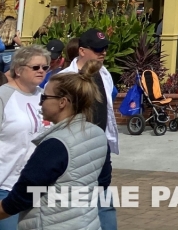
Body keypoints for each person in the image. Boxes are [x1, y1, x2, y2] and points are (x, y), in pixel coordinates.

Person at [0, 62, 107, 229]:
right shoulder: (97, 134)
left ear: (62, 102)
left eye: (44, 97)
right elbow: (102, 182)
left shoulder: (55, 144)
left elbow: (21, 198)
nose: (40, 103)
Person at [0, 45, 50, 230]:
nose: (41, 71)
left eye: (45, 67)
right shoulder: (0, 98)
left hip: (34, 184)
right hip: (1, 184)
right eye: (35, 67)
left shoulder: (43, 96)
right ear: (19, 70)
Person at [60, 29, 119, 230]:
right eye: (98, 49)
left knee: (103, 200)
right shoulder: (64, 78)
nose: (103, 52)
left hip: (101, 147)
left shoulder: (104, 73)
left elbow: (107, 110)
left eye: (105, 48)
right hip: (76, 150)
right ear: (82, 50)